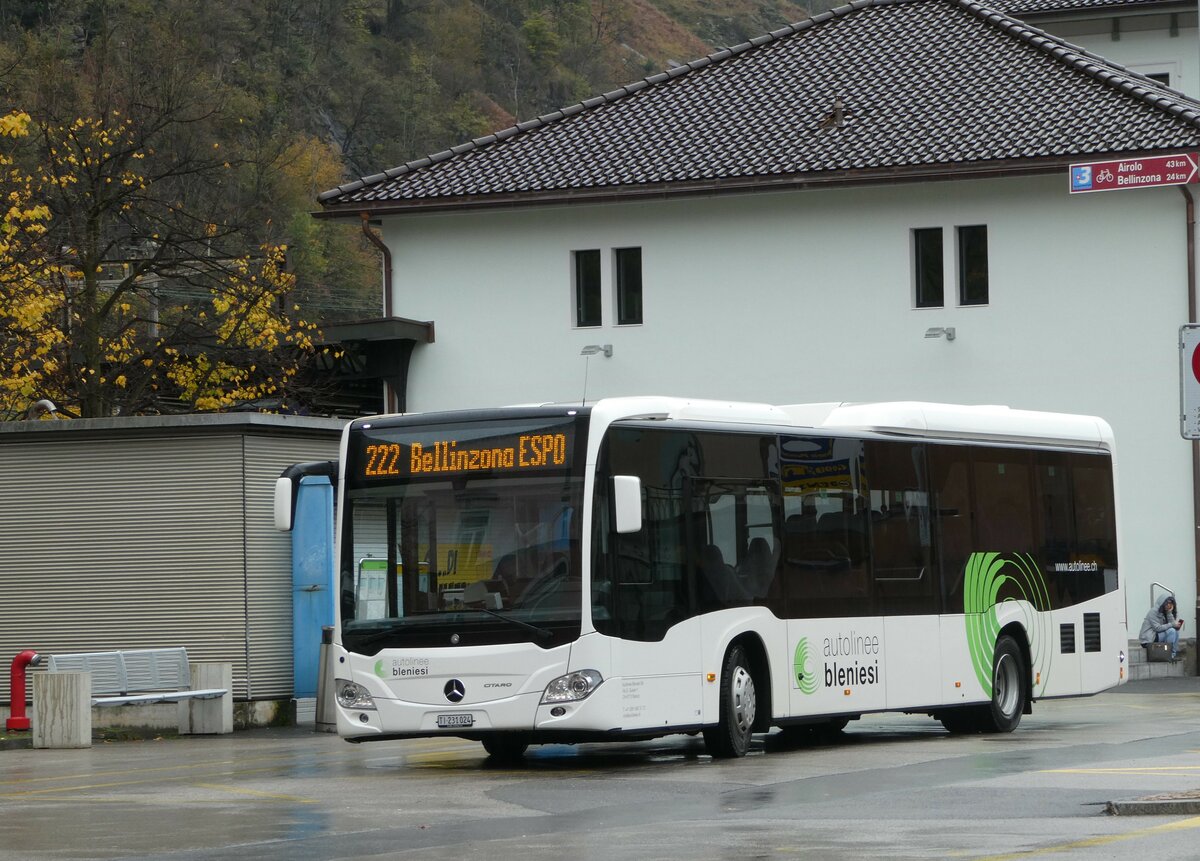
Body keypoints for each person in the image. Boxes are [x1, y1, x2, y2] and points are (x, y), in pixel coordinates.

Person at [1139, 595, 1185, 661]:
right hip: (1148, 639)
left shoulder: (1165, 611)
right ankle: (1168, 654)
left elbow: (1171, 624)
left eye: (1171, 603)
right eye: (1167, 603)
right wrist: (1172, 624)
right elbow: (1157, 628)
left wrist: (1169, 612)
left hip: (1156, 635)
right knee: (1171, 631)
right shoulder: (1154, 611)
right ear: (1162, 603)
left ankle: (1173, 654)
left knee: (1175, 631)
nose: (1169, 605)